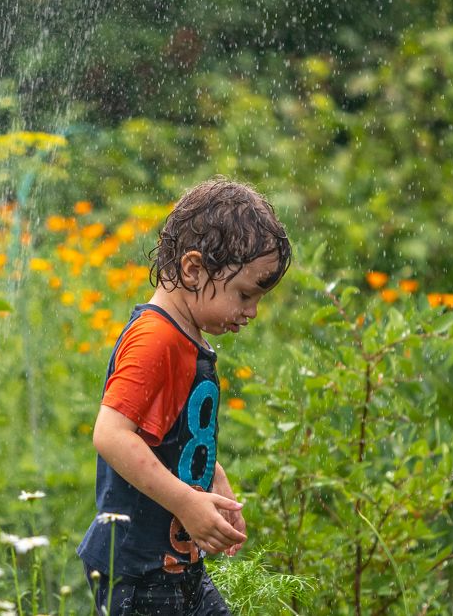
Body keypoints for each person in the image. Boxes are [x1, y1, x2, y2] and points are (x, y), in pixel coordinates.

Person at [76, 178, 292, 615]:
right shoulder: (156, 339)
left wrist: (212, 477)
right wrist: (186, 502)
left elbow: (174, 434)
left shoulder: (185, 335)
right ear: (193, 270)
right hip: (140, 571)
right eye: (245, 294)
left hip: (175, 564)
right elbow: (112, 434)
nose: (251, 312)